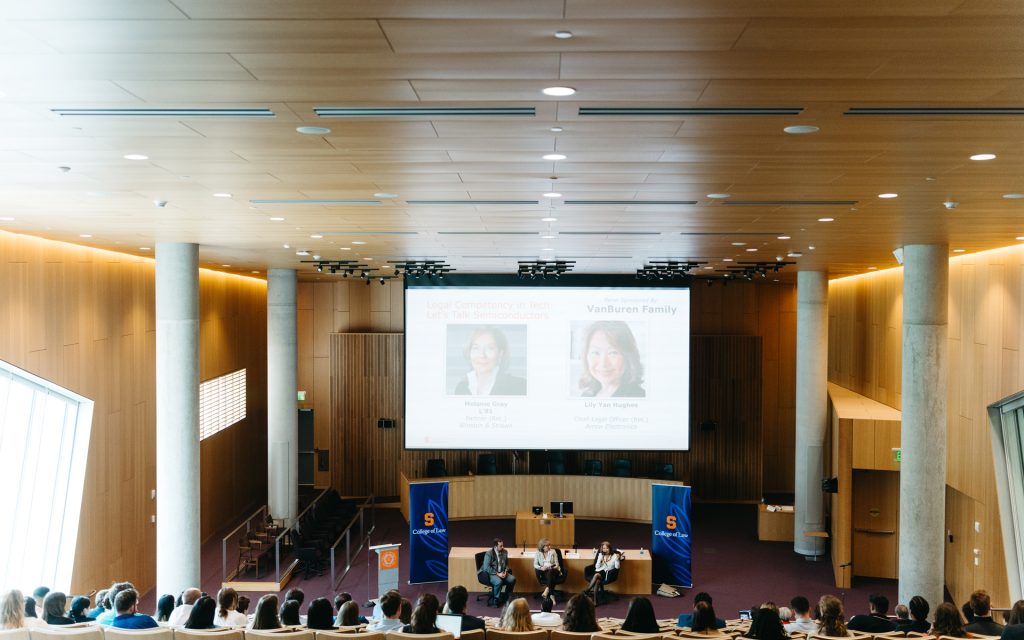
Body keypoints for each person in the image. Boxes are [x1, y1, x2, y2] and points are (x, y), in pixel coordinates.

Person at [577, 320, 645, 398]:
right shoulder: (586, 395)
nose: (603, 363)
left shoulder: (638, 396)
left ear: (628, 357)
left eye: (612, 353)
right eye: (595, 352)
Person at [453, 326, 526, 396]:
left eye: (490, 348)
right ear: (469, 353)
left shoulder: (519, 386)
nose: (482, 355)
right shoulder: (461, 388)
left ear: (500, 354)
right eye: (476, 348)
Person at [483, 537, 516, 606]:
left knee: (512, 579)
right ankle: (496, 600)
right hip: (492, 573)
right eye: (500, 546)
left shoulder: (505, 552)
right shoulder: (489, 554)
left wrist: (505, 571)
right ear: (495, 546)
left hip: (502, 572)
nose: (503, 547)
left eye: (503, 545)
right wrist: (498, 574)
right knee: (498, 581)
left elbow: (506, 564)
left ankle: (507, 596)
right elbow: (486, 567)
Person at [534, 537, 562, 603]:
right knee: (549, 575)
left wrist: (550, 567)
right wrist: (541, 568)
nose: (549, 547)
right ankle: (550, 593)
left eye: (550, 545)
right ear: (543, 547)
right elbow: (535, 564)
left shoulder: (553, 552)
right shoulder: (538, 553)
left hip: (554, 570)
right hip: (544, 571)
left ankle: (549, 591)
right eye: (547, 546)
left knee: (550, 572)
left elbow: (557, 564)